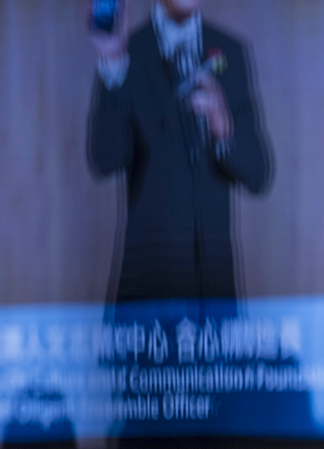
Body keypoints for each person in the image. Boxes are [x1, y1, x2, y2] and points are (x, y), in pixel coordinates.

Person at [87, 0, 271, 303]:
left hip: (213, 287)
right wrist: (113, 61)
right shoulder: (127, 52)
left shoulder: (229, 50)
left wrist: (223, 130)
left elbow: (259, 176)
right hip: (147, 285)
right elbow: (104, 160)